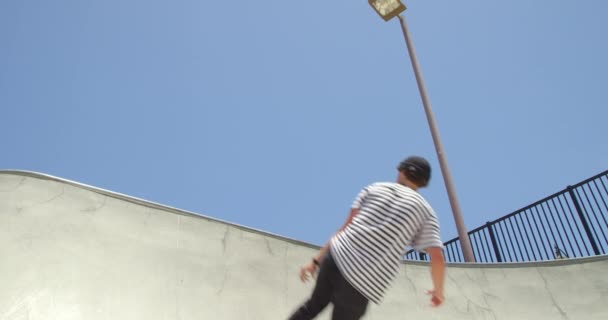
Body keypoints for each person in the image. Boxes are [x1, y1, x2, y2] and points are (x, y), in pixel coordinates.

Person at [288, 156, 446, 320]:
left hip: (336, 258)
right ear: (423, 182)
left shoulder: (375, 188)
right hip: (363, 279)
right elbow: (437, 258)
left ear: (401, 171)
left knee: (312, 306)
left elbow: (345, 228)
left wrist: (315, 261)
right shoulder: (426, 212)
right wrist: (439, 291)